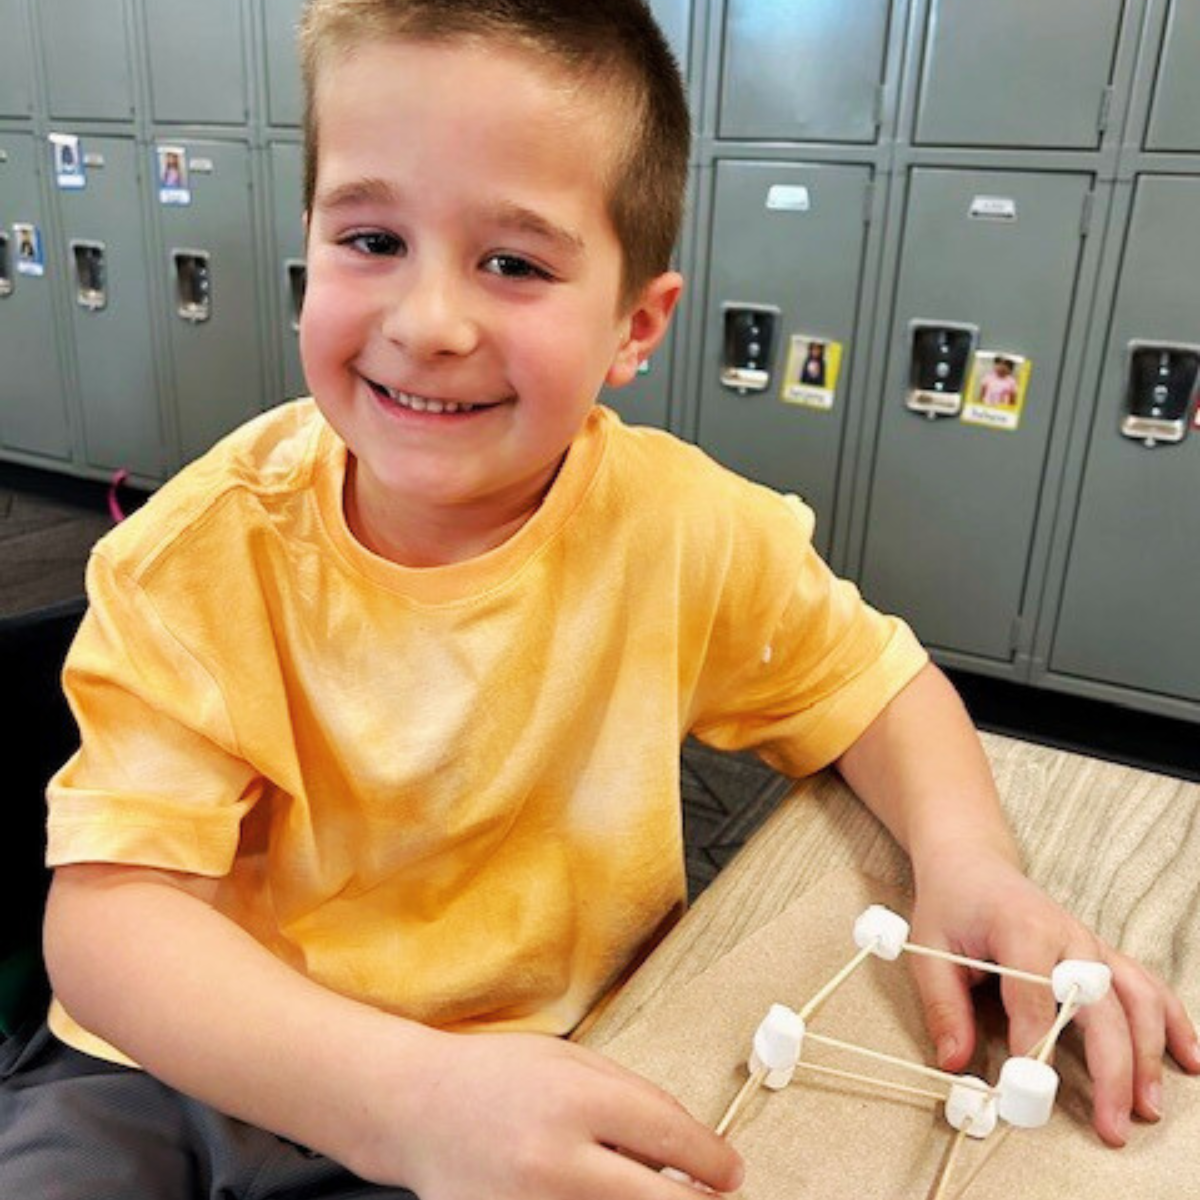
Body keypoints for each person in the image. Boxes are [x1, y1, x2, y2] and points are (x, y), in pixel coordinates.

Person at [2, 1, 1196, 1197]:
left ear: (637, 325)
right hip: (176, 1065)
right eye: (371, 240)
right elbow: (111, 924)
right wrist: (394, 1100)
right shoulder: (201, 551)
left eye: (513, 263)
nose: (428, 324)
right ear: (309, 240)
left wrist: (973, 865)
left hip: (516, 1078)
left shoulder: (681, 529)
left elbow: (876, 689)